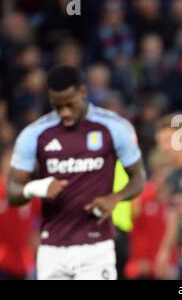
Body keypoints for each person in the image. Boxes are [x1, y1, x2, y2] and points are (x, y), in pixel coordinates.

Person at [7, 65, 146, 280]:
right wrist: (38, 187)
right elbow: (12, 192)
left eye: (70, 104)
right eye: (57, 106)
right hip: (52, 248)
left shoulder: (114, 127)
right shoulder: (34, 134)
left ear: (83, 92)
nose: (64, 112)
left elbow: (138, 177)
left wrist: (115, 198)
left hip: (97, 246)